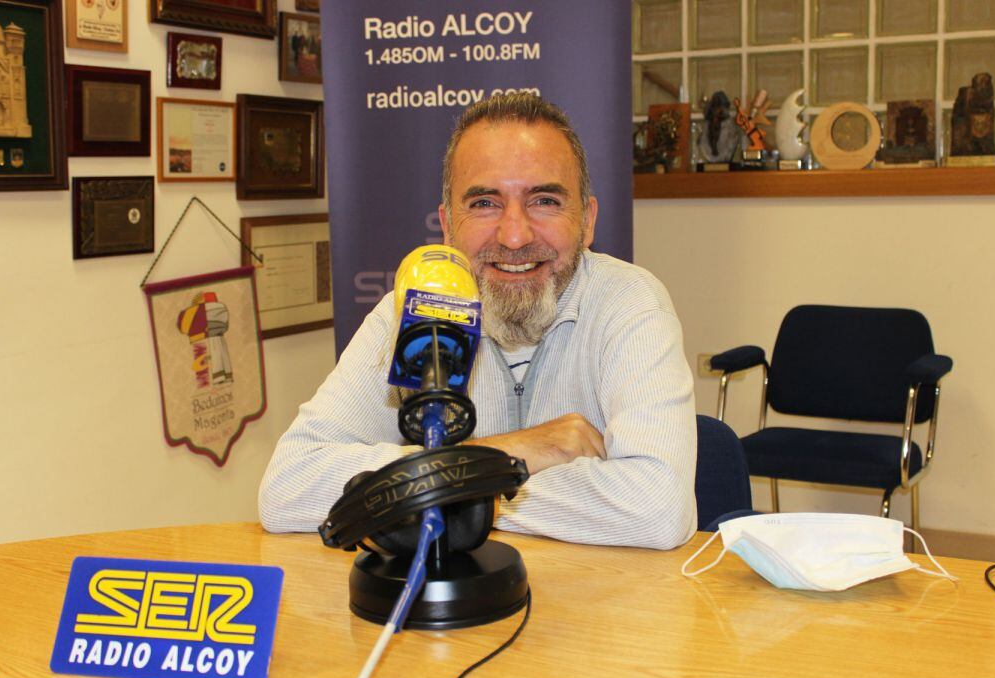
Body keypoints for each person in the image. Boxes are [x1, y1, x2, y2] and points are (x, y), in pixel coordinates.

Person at [259, 93, 696, 550]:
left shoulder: (630, 303)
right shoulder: (415, 309)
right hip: (446, 613)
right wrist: (512, 454)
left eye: (544, 200)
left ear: (586, 221)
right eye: (485, 203)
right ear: (448, 225)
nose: (513, 236)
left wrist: (436, 490)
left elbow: (657, 509)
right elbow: (287, 487)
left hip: (595, 607)